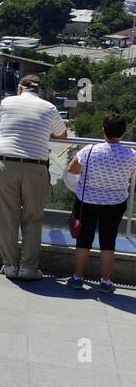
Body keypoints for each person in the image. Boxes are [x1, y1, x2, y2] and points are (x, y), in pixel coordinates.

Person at [0, 75, 67, 280]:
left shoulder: (6, 103)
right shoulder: (50, 108)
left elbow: (0, 128)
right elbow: (63, 135)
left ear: (20, 89)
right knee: (33, 217)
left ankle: (10, 265)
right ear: (39, 91)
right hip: (36, 167)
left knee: (7, 217)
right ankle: (28, 268)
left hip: (5, 164)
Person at [65, 113, 136, 293]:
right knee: (108, 242)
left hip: (87, 201)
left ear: (103, 130)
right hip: (115, 203)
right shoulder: (131, 155)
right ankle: (105, 282)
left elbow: (72, 169)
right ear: (123, 133)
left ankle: (77, 278)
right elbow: (131, 174)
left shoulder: (90, 150)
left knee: (83, 240)